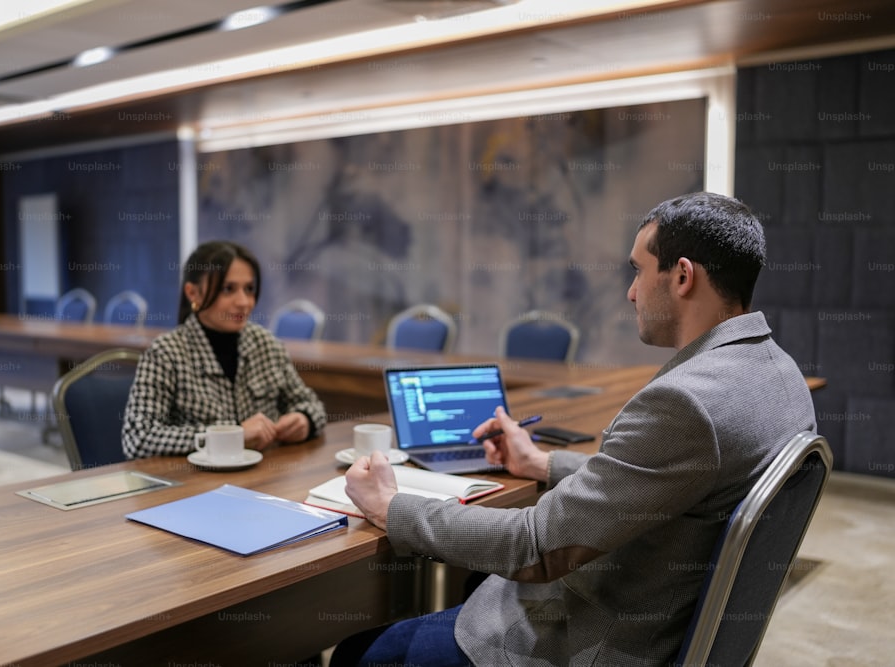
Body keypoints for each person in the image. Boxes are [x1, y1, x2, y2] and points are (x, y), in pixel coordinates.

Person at [338, 192, 816, 666]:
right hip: (665, 621)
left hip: (595, 637)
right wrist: (541, 462)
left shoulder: (685, 402)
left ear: (683, 276)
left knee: (358, 653)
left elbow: (535, 546)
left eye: (638, 270)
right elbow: (657, 478)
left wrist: (391, 506)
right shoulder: (781, 373)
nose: (631, 292)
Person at [122, 241, 327, 458]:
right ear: (193, 293)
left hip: (264, 480)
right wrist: (230, 435)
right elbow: (137, 438)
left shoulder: (267, 345)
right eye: (228, 289)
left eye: (249, 289)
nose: (243, 302)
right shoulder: (165, 353)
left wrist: (305, 419)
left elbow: (312, 405)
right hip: (195, 484)